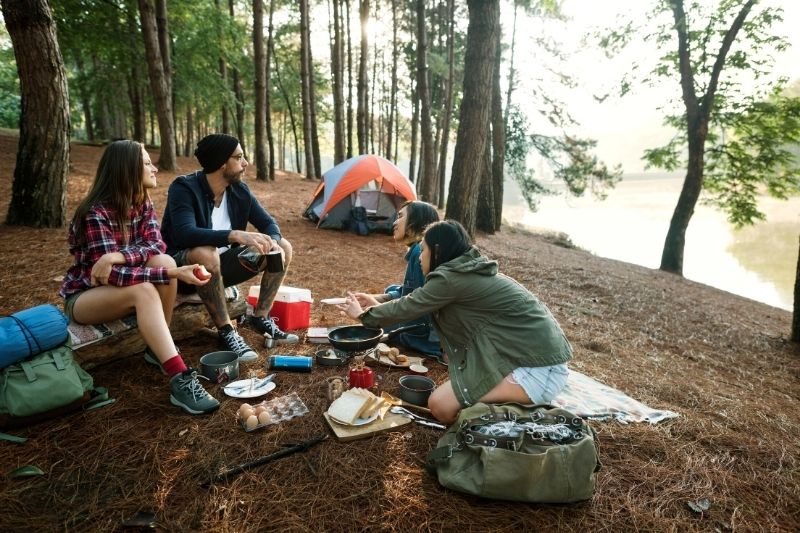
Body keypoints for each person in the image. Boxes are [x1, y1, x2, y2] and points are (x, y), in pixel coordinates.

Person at [338, 220, 572, 424]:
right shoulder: (464, 271)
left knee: (440, 406)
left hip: (538, 369)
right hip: (527, 357)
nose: (419, 258)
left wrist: (362, 316)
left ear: (437, 250)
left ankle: (521, 419)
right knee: (449, 387)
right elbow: (415, 302)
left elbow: (409, 306)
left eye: (423, 250)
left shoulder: (452, 278)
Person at [60, 140, 219, 415]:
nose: (155, 168)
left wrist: (117, 255)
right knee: (146, 288)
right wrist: (170, 273)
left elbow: (157, 245)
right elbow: (113, 277)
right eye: (147, 163)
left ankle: (155, 350)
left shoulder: (141, 202)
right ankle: (180, 378)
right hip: (85, 297)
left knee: (164, 259)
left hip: (122, 281)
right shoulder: (95, 213)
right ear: (127, 169)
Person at [160, 133, 298, 363]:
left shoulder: (239, 191)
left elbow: (269, 223)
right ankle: (226, 331)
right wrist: (234, 234)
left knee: (283, 246)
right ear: (222, 162)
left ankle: (260, 317)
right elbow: (185, 233)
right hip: (185, 272)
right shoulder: (184, 188)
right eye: (239, 157)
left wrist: (272, 240)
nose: (245, 163)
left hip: (223, 268)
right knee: (206, 251)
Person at [351, 200, 443, 359]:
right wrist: (380, 299)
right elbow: (411, 291)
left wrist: (375, 312)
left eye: (400, 217)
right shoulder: (418, 251)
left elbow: (423, 309)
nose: (394, 222)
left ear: (415, 222)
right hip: (419, 331)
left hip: (424, 339)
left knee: (367, 330)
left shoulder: (419, 254)